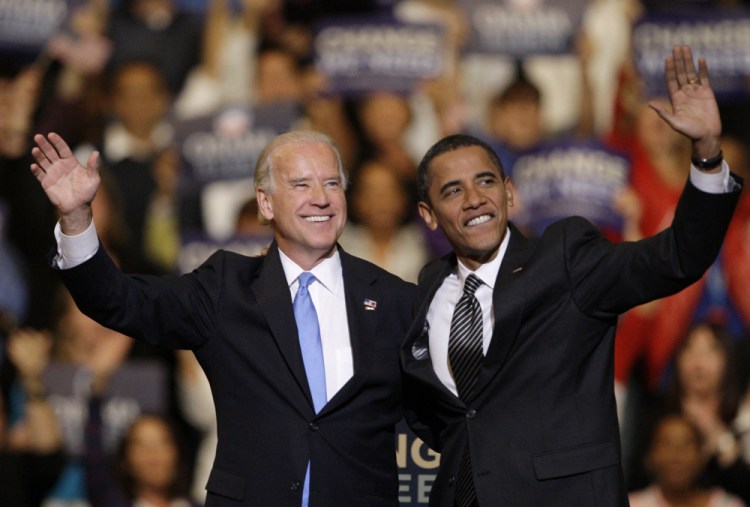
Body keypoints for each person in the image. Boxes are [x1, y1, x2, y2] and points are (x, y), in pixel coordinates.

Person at [400, 45, 743, 506]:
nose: (474, 199)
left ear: (510, 192)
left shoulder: (564, 259)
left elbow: (675, 258)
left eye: (485, 182)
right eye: (452, 190)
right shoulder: (427, 288)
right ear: (428, 214)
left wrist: (705, 154)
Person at [29, 129, 415, 506]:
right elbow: (119, 300)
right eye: (301, 185)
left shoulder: (394, 298)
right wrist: (77, 217)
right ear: (266, 204)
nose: (321, 198)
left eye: (332, 184)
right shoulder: (226, 289)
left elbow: (451, 416)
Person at [629, 413, 746, 507]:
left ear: (702, 455)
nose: (677, 455)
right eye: (666, 444)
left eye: (687, 444)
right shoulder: (629, 503)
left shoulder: (729, 504)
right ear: (651, 455)